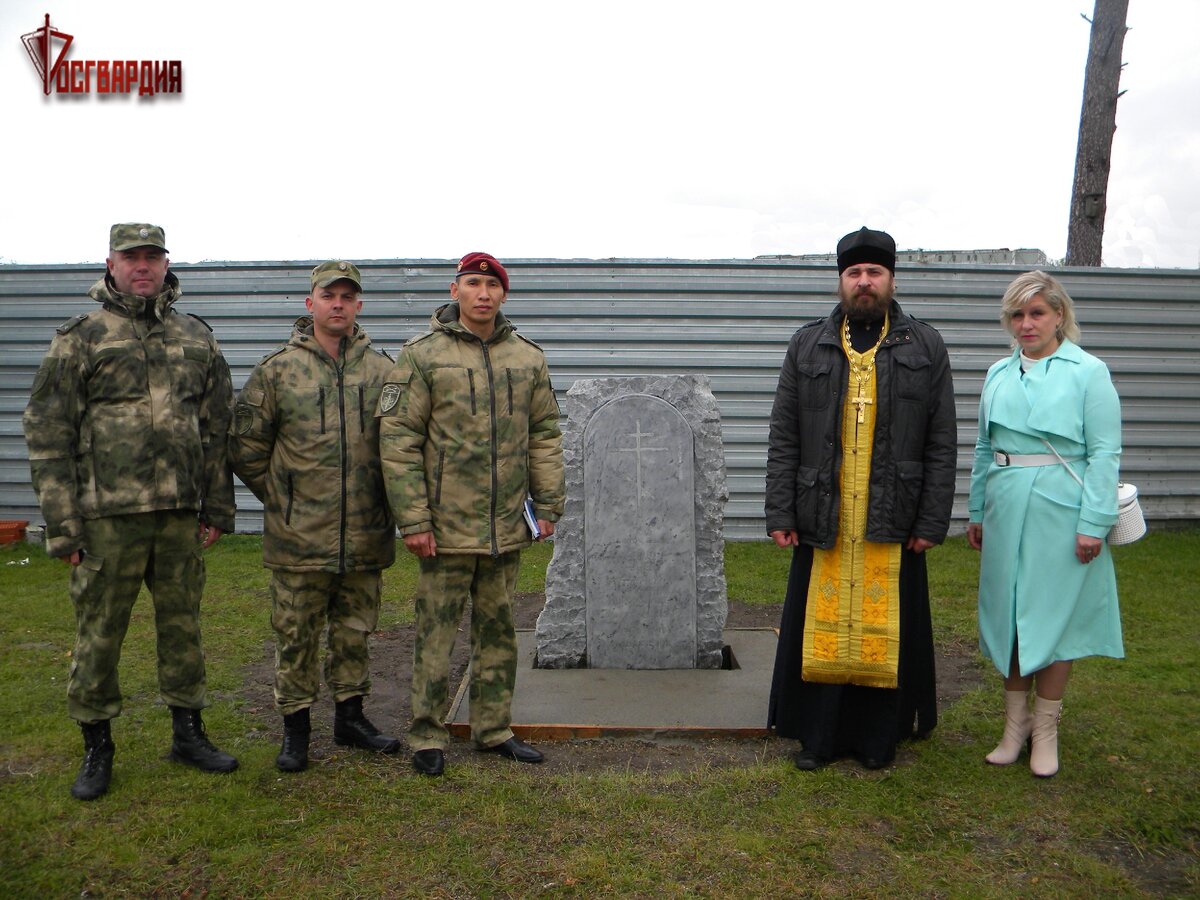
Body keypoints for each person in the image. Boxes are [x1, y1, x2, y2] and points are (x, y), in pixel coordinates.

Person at [23, 223, 238, 801]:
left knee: (183, 628)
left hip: (177, 516)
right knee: (99, 633)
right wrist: (63, 524)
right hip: (106, 518)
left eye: (152, 256)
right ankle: (98, 745)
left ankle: (188, 734)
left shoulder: (197, 335)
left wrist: (217, 504)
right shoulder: (82, 337)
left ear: (166, 264)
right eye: (131, 257)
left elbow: (218, 426)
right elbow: (47, 431)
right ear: (111, 264)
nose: (142, 266)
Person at [765, 227, 957, 771]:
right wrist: (781, 510)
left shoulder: (925, 345)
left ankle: (879, 738)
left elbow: (941, 439)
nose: (864, 282)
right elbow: (784, 434)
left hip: (893, 511)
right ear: (841, 281)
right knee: (820, 621)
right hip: (823, 510)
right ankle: (818, 737)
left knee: (887, 623)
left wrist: (931, 520)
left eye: (875, 272)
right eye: (854, 273)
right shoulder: (808, 344)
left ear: (891, 279)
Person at [378, 252, 565, 777]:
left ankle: (493, 728)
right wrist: (414, 520)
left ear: (503, 294)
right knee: (436, 633)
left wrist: (548, 504)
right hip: (445, 527)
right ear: (454, 290)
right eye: (472, 284)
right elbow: (398, 440)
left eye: (492, 286)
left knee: (498, 631)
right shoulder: (422, 356)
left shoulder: (527, 358)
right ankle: (427, 734)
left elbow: (544, 435)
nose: (483, 294)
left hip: (505, 523)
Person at [228, 261, 402, 771]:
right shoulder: (278, 371)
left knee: (355, 630)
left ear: (359, 305)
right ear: (311, 303)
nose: (338, 304)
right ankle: (296, 729)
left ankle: (351, 718)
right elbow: (246, 448)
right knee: (296, 633)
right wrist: (284, 497)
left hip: (365, 532)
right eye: (329, 295)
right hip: (298, 536)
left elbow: (401, 445)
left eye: (348, 296)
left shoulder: (384, 371)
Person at [966, 271, 1123, 778]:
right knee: (1010, 614)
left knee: (1054, 617)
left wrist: (1094, 522)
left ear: (1059, 314)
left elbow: (1104, 453)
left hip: (1062, 509)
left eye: (1036, 313)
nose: (1026, 324)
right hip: (1005, 506)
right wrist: (976, 510)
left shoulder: (1089, 371)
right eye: (1017, 314)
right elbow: (985, 447)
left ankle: (1047, 728)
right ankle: (1015, 726)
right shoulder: (998, 373)